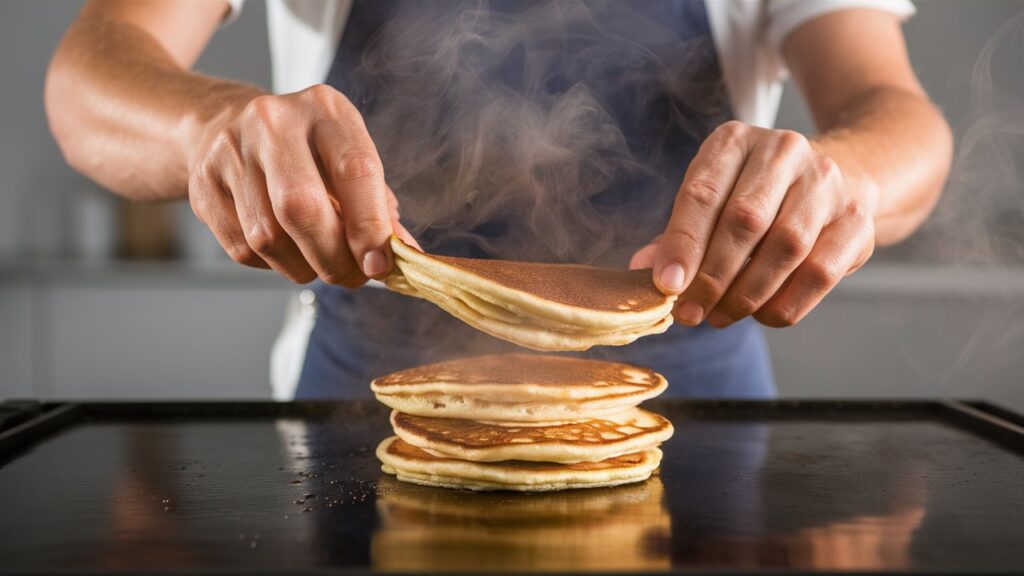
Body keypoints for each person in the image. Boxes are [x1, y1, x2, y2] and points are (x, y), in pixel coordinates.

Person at [45, 0, 951, 400]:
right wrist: (210, 123)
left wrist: (849, 178)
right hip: (366, 415)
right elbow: (90, 72)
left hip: (688, 423)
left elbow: (899, 117)